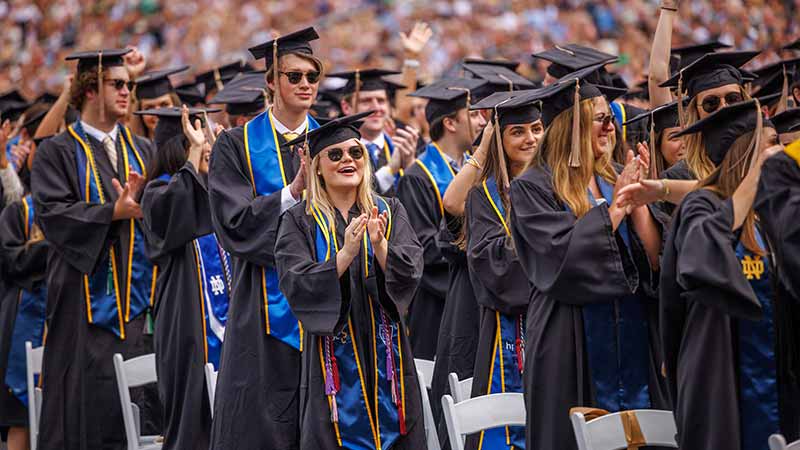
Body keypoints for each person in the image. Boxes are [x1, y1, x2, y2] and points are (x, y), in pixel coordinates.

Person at [507, 67, 667, 450]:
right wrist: (614, 210)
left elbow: (655, 261)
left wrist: (638, 204)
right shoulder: (532, 187)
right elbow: (559, 260)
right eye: (600, 119)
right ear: (571, 126)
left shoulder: (614, 174)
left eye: (611, 118)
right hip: (569, 338)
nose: (611, 127)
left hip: (633, 331)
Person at [30, 48, 161, 450]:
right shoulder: (56, 152)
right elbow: (53, 216)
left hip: (138, 312)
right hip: (80, 311)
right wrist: (112, 212)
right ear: (89, 89)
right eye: (117, 84)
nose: (127, 92)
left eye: (130, 85)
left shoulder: (144, 150)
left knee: (137, 417)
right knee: (83, 415)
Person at [275, 112, 425, 449]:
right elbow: (294, 282)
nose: (347, 160)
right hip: (331, 368)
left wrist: (380, 245)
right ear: (315, 165)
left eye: (355, 153)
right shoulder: (299, 221)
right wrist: (344, 255)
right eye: (335, 154)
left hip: (390, 360)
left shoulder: (390, 209)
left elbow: (412, 269)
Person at [207, 27, 322, 450]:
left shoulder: (335, 142)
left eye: (312, 77)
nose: (305, 85)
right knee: (262, 428)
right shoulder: (235, 146)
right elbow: (233, 223)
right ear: (270, 82)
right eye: (294, 76)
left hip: (327, 304)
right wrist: (292, 193)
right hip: (260, 307)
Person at [660, 100, 798, 450]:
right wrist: (755, 180)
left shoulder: (771, 210)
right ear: (744, 154)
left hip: (778, 377)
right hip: (722, 380)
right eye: (770, 144)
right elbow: (702, 256)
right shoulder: (701, 206)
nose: (779, 152)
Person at [139, 106, 227, 450]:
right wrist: (194, 155)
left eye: (205, 140)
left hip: (227, 327)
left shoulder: (217, 193)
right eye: (196, 140)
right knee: (193, 422)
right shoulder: (156, 193)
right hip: (187, 327)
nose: (205, 146)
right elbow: (173, 214)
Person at [464, 92, 545, 450]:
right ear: (501, 139)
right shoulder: (483, 196)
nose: (530, 138)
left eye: (537, 128)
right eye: (518, 131)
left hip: (556, 322)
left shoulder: (559, 185)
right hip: (507, 331)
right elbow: (490, 263)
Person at [398, 77, 487, 361]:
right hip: (437, 307)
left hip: (473, 297)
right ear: (450, 123)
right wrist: (477, 245)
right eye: (472, 115)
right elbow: (422, 249)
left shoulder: (474, 170)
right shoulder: (417, 177)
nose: (481, 122)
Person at [0, 194, 47, 450]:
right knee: (20, 417)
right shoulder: (20, 210)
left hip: (65, 321)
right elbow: (12, 261)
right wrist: (50, 245)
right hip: (22, 321)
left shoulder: (78, 209)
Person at [331, 69, 419, 195]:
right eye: (366, 101)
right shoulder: (336, 153)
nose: (376, 108)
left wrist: (410, 167)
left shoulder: (406, 148)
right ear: (346, 107)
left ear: (389, 107)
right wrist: (390, 170)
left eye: (381, 100)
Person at [131, 66, 189, 139]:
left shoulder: (190, 144)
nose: (158, 113)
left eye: (164, 105)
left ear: (175, 104)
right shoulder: (131, 148)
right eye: (149, 108)